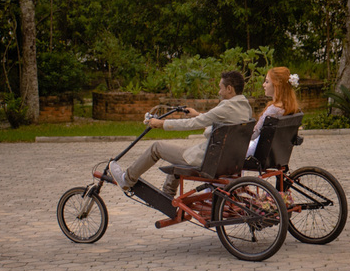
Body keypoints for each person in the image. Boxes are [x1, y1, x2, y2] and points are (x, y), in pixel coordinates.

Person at [107, 70, 254, 197]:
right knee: (177, 155)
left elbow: (192, 124)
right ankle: (167, 195)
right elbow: (219, 121)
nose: (219, 92)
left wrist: (162, 124)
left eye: (220, 88)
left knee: (156, 147)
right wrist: (198, 114)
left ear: (229, 88)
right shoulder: (244, 107)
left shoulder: (226, 107)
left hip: (208, 161)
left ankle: (127, 180)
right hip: (226, 161)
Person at [246, 67, 301, 159]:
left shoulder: (273, 110)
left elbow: (254, 134)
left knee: (230, 148)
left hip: (258, 152)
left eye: (267, 82)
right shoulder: (289, 108)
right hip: (276, 152)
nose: (263, 85)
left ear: (276, 85)